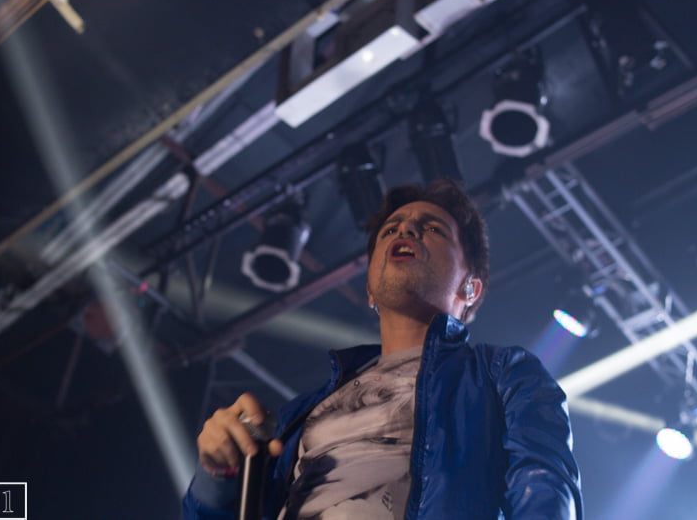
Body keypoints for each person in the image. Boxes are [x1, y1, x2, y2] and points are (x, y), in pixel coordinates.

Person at [183, 178, 583, 519]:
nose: (405, 229)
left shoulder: (503, 374)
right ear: (370, 288)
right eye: (390, 230)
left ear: (470, 288)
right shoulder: (299, 414)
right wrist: (216, 476)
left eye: (432, 228)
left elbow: (545, 488)